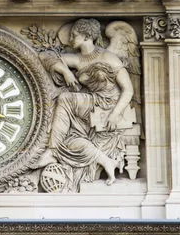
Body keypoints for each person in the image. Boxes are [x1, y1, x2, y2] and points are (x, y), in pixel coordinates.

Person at [38, 18, 134, 190]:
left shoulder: (109, 58)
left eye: (74, 35)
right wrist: (66, 72)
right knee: (71, 141)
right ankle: (105, 161)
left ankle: (52, 151)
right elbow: (44, 55)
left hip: (108, 104)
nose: (71, 38)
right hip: (90, 105)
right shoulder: (77, 59)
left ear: (87, 36)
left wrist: (114, 114)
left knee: (66, 98)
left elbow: (128, 90)